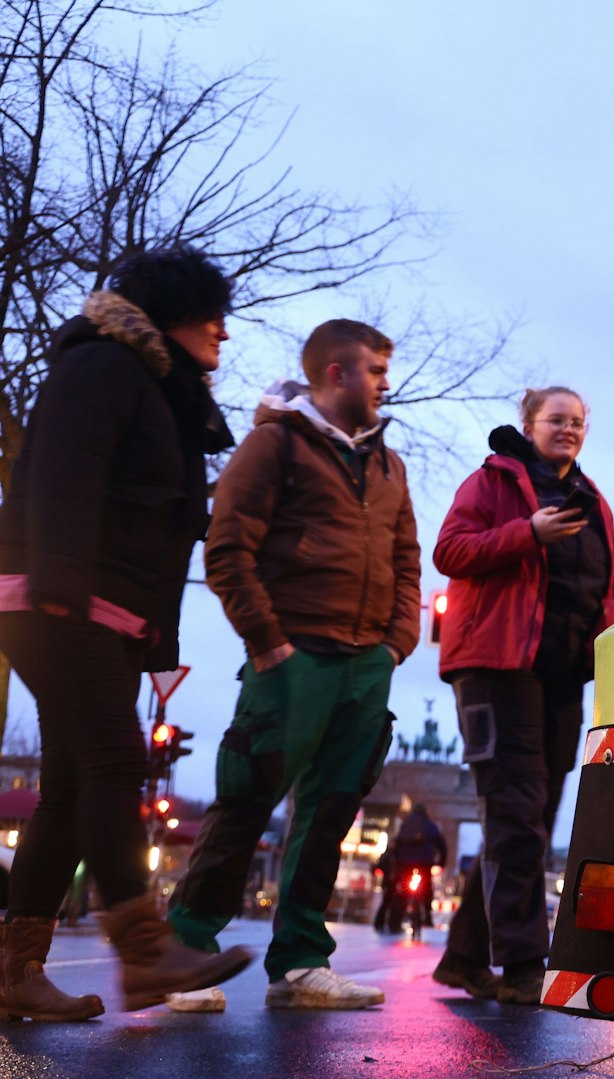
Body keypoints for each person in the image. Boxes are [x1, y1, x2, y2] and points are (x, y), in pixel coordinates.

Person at [0, 247, 254, 1018]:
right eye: (213, 316)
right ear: (174, 311)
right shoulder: (103, 367)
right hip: (54, 600)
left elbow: (164, 530)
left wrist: (154, 639)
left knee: (76, 784)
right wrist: (60, 593)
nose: (224, 333)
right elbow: (59, 481)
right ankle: (145, 955)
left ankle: (14, 971)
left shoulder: (158, 392)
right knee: (115, 761)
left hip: (97, 609)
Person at [166, 319, 421, 1010]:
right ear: (336, 373)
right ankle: (185, 951)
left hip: (366, 662)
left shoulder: (389, 465)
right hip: (292, 656)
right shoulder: (272, 445)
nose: (385, 382)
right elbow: (227, 549)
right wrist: (269, 643)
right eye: (375, 369)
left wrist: (397, 641)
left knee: (331, 813)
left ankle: (302, 961)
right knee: (246, 803)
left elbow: (406, 560)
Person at [430, 387, 614, 1004]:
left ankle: (464, 959)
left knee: (533, 820)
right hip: (496, 666)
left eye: (578, 422)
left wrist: (607, 643)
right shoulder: (490, 484)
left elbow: (611, 581)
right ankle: (521, 965)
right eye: (556, 420)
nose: (569, 430)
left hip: (562, 675)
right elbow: (449, 552)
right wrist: (527, 533)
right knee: (514, 811)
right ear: (529, 424)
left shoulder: (594, 501)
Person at [378, 803, 447, 933]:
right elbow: (442, 845)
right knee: (426, 887)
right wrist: (441, 863)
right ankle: (427, 915)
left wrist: (397, 863)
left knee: (402, 890)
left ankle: (395, 923)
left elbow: (397, 844)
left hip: (404, 862)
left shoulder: (405, 825)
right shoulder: (429, 826)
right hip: (425, 862)